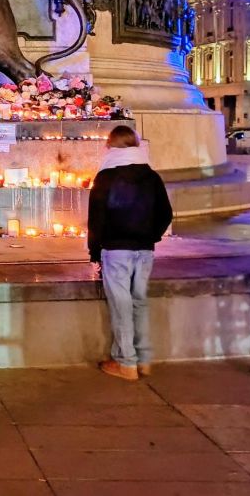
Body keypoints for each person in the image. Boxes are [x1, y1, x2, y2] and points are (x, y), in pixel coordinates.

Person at [88, 125, 173, 381]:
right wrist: (151, 236)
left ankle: (126, 362)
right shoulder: (152, 176)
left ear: (111, 145)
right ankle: (143, 360)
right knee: (139, 302)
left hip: (116, 249)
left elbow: (96, 219)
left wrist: (95, 252)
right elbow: (166, 213)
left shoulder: (106, 176)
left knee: (121, 305)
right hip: (144, 250)